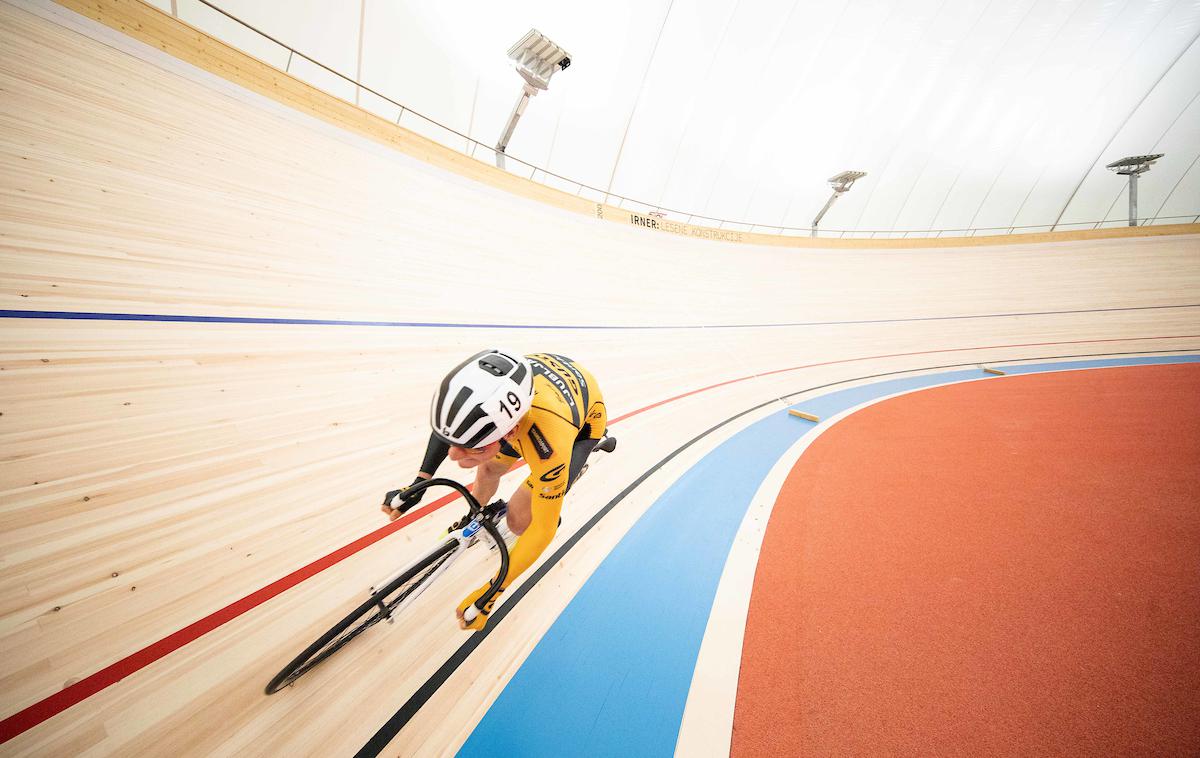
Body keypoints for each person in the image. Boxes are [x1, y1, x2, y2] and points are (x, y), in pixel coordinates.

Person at [381, 349, 609, 631]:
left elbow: (543, 531)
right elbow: (451, 429)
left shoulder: (549, 446)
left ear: (510, 434)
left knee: (519, 521)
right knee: (488, 468)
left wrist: (492, 593)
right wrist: (419, 482)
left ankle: (573, 473)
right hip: (534, 397)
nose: (453, 455)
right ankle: (475, 513)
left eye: (470, 446)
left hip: (578, 423)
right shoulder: (485, 406)